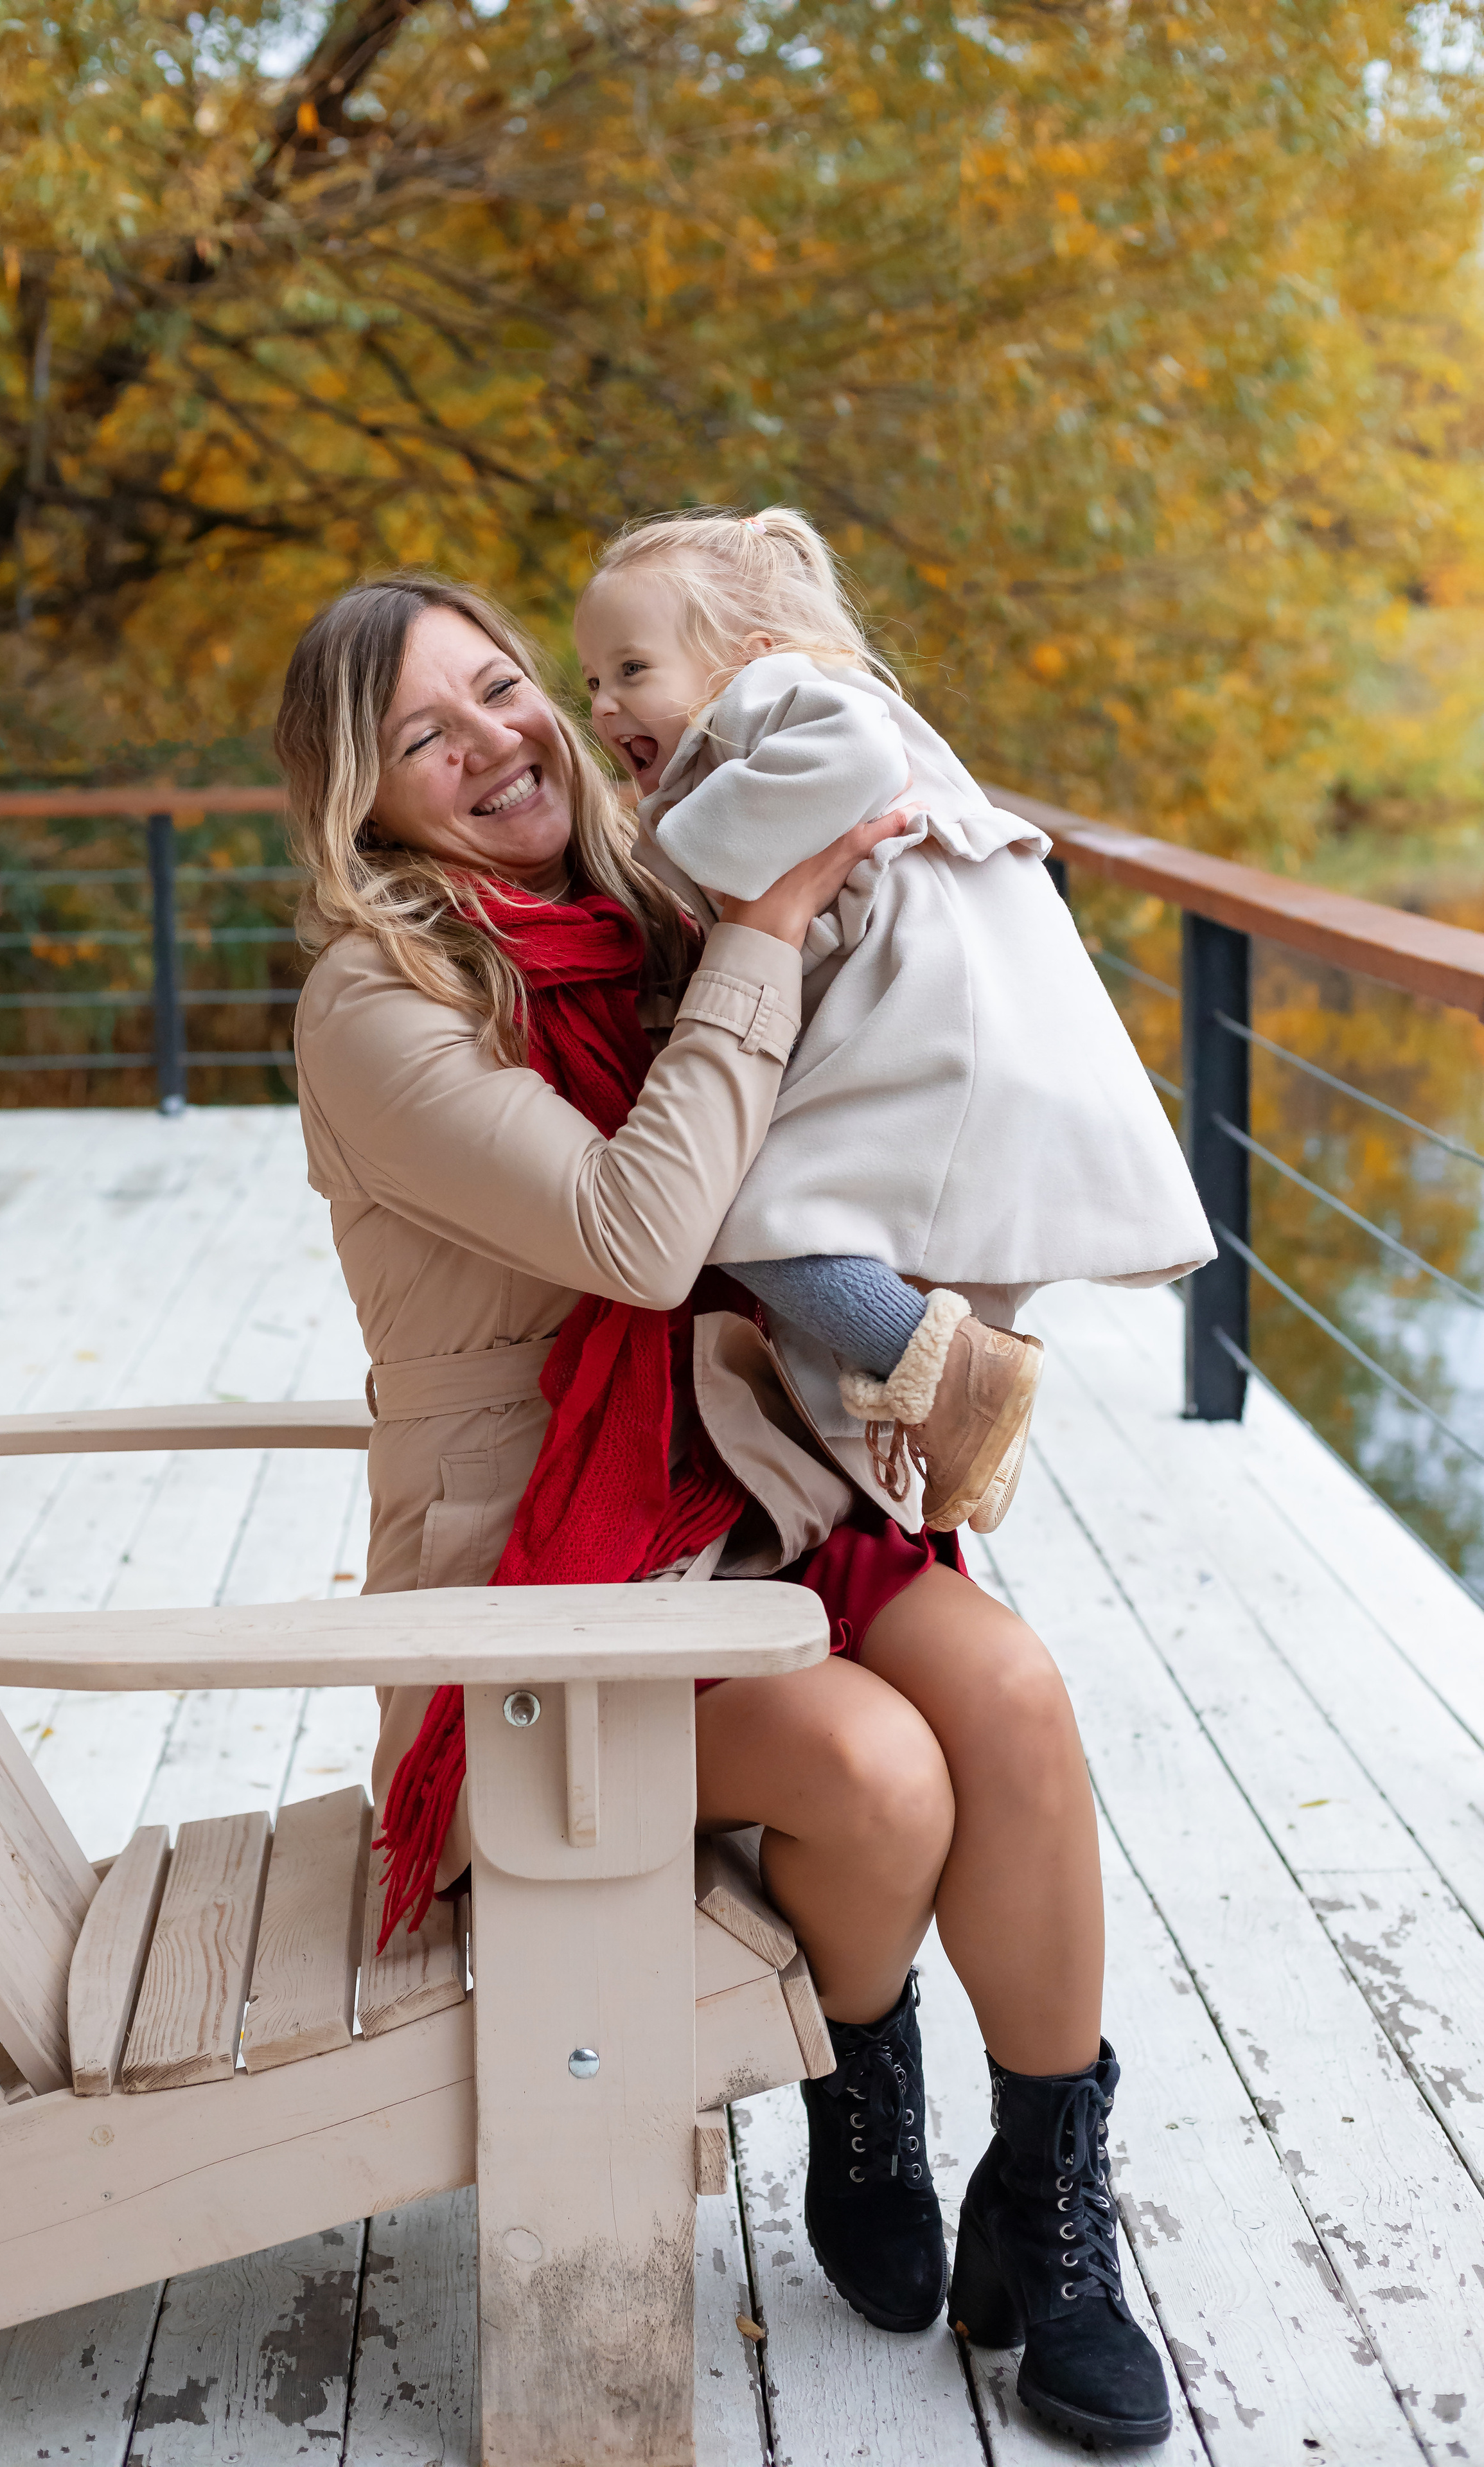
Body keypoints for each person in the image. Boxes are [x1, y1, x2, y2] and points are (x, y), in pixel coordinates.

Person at [277, 571, 1174, 2449]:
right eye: (424, 740)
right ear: (365, 802)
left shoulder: (646, 909)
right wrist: (763, 925)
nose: (502, 741)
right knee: (874, 1773)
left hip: (753, 1479)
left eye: (505, 691)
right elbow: (646, 1230)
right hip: (548, 1574)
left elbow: (880, 1093)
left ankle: (1052, 2198)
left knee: (1008, 1702)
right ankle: (866, 2072)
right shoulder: (383, 1002)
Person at [574, 506, 1212, 1536]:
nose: (606, 706)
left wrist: (675, 842)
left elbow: (855, 755)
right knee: (874, 1235)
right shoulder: (756, 730)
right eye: (593, 683)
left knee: (754, 1219)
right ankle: (943, 1409)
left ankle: (957, 1385)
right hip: (937, 1011)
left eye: (633, 670)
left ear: (747, 654)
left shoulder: (785, 695)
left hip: (936, 1014)